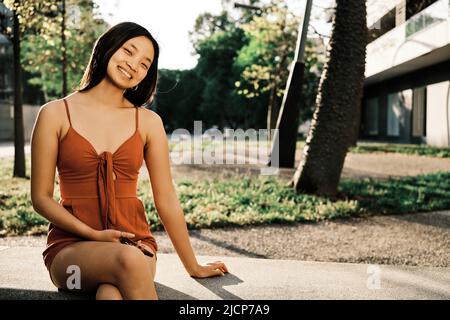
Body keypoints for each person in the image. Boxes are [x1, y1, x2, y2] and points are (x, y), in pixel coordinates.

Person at [30, 22, 228, 300]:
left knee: (111, 294)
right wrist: (93, 234)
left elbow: (166, 198)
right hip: (70, 255)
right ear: (108, 48)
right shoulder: (54, 114)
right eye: (128, 51)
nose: (134, 65)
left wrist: (193, 266)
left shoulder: (148, 122)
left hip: (136, 245)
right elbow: (40, 198)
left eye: (145, 64)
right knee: (128, 261)